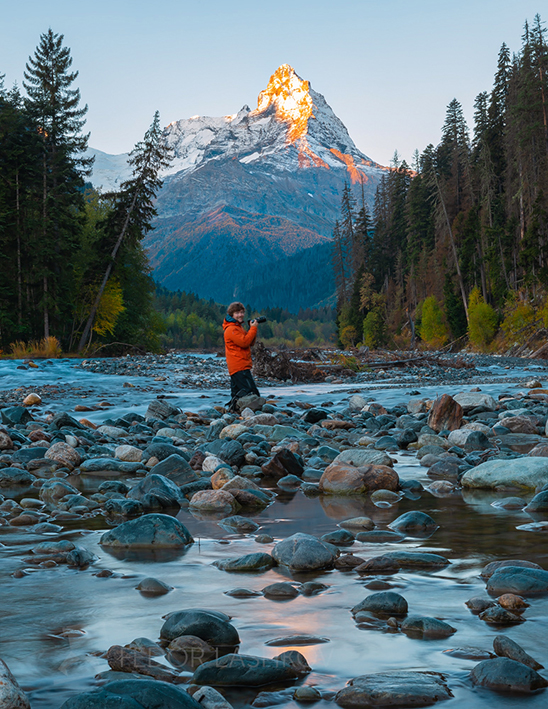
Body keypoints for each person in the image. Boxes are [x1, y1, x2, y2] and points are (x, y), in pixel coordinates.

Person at [223, 301, 261, 409]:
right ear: (232, 314)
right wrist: (253, 328)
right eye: (237, 313)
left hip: (238, 366)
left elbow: (250, 342)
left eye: (242, 312)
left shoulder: (237, 327)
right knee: (252, 394)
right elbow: (245, 343)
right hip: (239, 366)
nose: (240, 315)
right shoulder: (231, 329)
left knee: (238, 393)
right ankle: (252, 414)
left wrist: (252, 329)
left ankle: (233, 412)